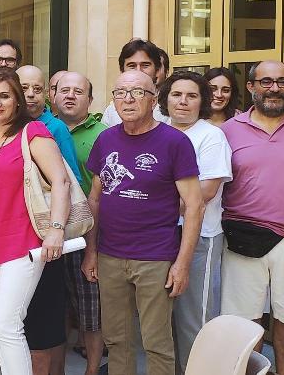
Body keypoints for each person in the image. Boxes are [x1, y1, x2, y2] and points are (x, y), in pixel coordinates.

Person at [82, 69, 204, 375]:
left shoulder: (174, 142)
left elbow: (194, 205)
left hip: (155, 257)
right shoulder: (106, 139)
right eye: (120, 92)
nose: (128, 99)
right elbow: (95, 198)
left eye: (137, 92)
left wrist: (182, 264)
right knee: (117, 339)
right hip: (110, 255)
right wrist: (91, 251)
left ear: (153, 100)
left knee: (156, 342)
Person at [0, 70, 70, 375]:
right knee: (0, 323)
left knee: (9, 323)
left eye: (5, 96)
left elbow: (61, 182)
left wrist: (56, 231)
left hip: (24, 242)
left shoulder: (33, 132)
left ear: (17, 101)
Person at [159, 70, 231, 370]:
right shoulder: (158, 129)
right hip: (159, 237)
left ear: (202, 102)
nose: (183, 102)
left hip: (200, 239)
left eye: (192, 96)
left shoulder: (211, 136)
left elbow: (206, 191)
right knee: (162, 323)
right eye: (176, 94)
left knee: (194, 322)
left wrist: (152, 203)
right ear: (165, 99)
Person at [217, 60, 284, 359]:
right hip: (243, 236)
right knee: (245, 324)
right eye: (266, 82)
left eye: (282, 82)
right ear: (251, 87)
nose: (275, 89)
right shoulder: (228, 130)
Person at [15, 65, 79, 375]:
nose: (30, 94)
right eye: (23, 87)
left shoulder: (54, 129)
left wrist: (56, 228)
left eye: (37, 89)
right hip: (14, 236)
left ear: (48, 94)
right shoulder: (5, 126)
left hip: (46, 235)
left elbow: (70, 181)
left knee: (48, 313)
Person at [50, 71, 106, 375]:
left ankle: (92, 369)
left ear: (90, 99)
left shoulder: (105, 134)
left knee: (89, 307)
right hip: (49, 228)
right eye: (64, 90)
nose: (70, 96)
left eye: (78, 91)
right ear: (54, 95)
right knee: (55, 303)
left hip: (88, 229)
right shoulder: (41, 128)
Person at [100, 39, 170, 127]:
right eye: (132, 66)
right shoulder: (111, 111)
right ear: (122, 70)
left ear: (157, 70)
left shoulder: (172, 107)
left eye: (145, 65)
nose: (138, 71)